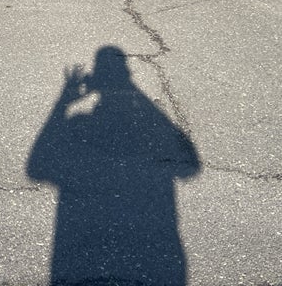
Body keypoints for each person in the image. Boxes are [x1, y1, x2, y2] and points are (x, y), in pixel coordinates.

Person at [27, 46, 200, 285]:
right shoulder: (104, 125)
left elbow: (37, 166)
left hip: (78, 248)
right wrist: (131, 89)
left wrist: (63, 103)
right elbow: (189, 165)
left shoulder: (79, 124)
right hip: (158, 252)